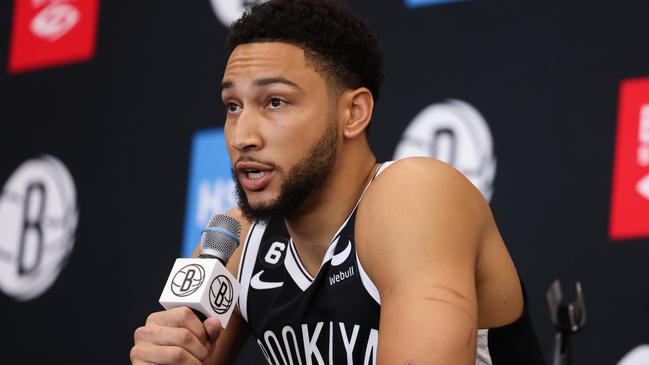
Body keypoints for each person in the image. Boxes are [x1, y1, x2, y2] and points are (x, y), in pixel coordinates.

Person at [130, 0, 545, 364]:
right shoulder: (234, 240)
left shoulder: (414, 194)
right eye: (233, 106)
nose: (242, 136)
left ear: (353, 113)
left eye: (275, 101)